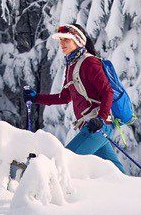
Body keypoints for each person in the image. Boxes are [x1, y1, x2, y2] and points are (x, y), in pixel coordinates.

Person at [23, 23, 125, 173]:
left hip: (98, 127)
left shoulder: (90, 62)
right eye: (60, 40)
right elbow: (64, 97)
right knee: (116, 172)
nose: (61, 43)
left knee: (63, 164)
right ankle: (133, 194)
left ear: (77, 41)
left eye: (66, 40)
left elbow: (107, 92)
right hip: (91, 126)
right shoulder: (72, 65)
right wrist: (36, 98)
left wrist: (101, 119)